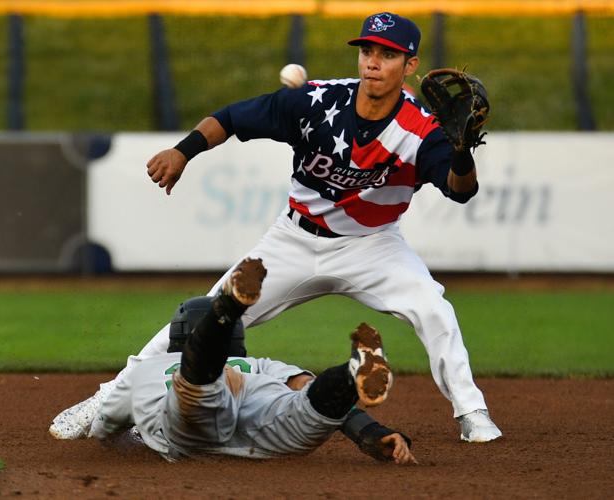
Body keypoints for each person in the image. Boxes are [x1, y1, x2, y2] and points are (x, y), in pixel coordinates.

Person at [51, 12, 501, 443]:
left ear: (410, 65)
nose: (372, 61)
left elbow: (460, 190)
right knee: (207, 316)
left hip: (373, 246)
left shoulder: (421, 129)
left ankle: (472, 413)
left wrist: (461, 153)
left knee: (433, 308)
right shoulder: (318, 101)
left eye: (386, 53)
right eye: (366, 50)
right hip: (294, 240)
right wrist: (183, 151)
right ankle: (105, 398)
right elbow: (231, 118)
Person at [88, 258, 417, 464]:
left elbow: (104, 430)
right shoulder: (260, 364)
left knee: (198, 389)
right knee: (304, 410)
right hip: (261, 421)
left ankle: (226, 310)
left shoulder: (144, 369)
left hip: (190, 429)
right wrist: (369, 432)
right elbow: (306, 386)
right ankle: (349, 376)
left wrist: (139, 442)